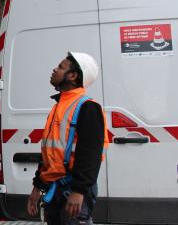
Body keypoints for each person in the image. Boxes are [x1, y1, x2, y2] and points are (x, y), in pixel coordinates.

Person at [27, 52, 109, 225]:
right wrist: (38, 186)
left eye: (60, 67)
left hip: (72, 190)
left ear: (73, 75)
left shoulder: (88, 107)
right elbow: (50, 153)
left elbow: (91, 155)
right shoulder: (58, 107)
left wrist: (79, 191)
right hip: (54, 188)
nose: (55, 70)